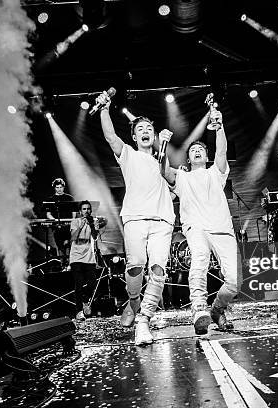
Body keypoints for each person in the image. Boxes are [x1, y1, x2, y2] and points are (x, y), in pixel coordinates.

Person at [96, 91, 175, 346]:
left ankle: (143, 320)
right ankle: (133, 303)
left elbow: (171, 176)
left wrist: (164, 145)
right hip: (135, 219)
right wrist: (105, 109)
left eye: (149, 128)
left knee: (158, 269)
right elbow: (110, 136)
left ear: (153, 134)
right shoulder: (128, 154)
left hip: (162, 220)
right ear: (134, 136)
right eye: (140, 128)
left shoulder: (162, 158)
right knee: (136, 264)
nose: (145, 131)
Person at [160, 108, 238, 335]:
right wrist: (163, 145)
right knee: (199, 263)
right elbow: (163, 170)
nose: (196, 152)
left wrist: (220, 126)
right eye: (192, 150)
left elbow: (222, 150)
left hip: (222, 229)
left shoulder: (216, 172)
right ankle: (198, 310)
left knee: (233, 281)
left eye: (200, 150)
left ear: (206, 156)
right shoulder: (182, 177)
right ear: (188, 157)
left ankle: (217, 309)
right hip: (196, 228)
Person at [69, 200, 106, 321]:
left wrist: (94, 226)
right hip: (76, 256)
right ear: (80, 211)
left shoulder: (92, 221)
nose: (86, 211)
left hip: (89, 257)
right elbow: (73, 237)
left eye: (88, 209)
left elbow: (95, 237)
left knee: (92, 283)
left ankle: (85, 300)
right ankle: (79, 311)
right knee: (78, 284)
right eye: (84, 209)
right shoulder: (75, 221)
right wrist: (80, 226)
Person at [46, 178, 75, 261]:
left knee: (69, 246)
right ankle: (63, 265)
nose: (59, 189)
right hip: (57, 227)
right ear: (54, 188)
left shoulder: (69, 198)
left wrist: (72, 221)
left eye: (61, 187)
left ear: (63, 187)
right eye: (57, 187)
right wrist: (55, 220)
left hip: (68, 226)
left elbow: (74, 212)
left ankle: (70, 264)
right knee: (60, 247)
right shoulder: (50, 199)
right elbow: (48, 214)